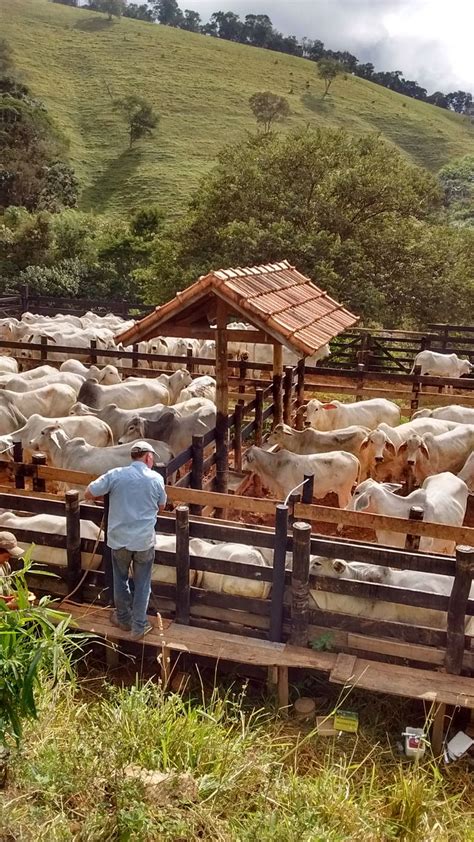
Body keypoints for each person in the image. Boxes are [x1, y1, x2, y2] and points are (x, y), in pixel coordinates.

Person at [84, 441, 166, 640]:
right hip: (144, 541)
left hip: (119, 539)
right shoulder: (156, 478)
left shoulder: (116, 474)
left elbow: (89, 493)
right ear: (148, 457)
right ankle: (139, 626)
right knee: (143, 583)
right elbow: (162, 506)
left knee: (120, 580)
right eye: (152, 458)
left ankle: (123, 619)